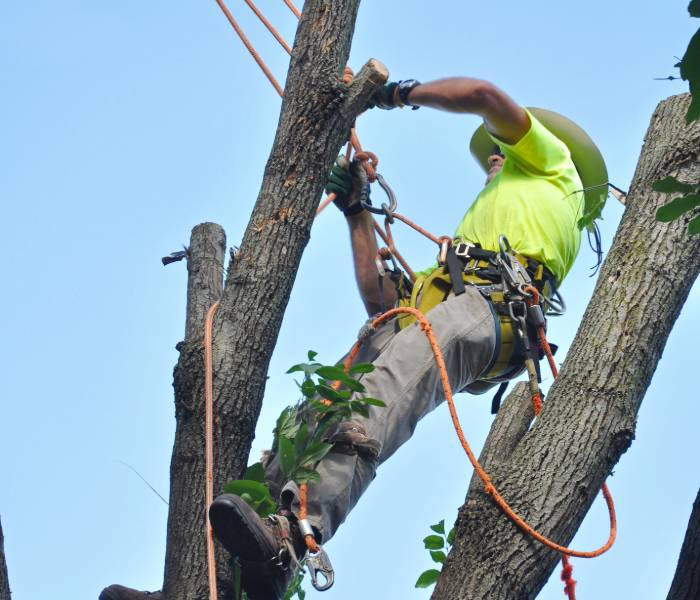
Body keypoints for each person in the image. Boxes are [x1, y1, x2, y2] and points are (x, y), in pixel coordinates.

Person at [208, 77, 608, 600]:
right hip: (451, 308)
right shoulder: (460, 258)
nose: (493, 160)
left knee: (380, 396)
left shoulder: (555, 167)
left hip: (490, 310)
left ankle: (296, 533)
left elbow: (485, 97)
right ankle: (223, 578)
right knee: (314, 415)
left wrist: (396, 93)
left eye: (501, 152)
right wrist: (357, 211)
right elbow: (381, 301)